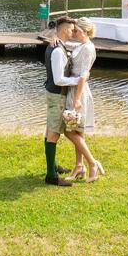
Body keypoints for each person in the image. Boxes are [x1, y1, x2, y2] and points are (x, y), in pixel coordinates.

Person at [43, 16, 83, 187]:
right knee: (54, 133)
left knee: (50, 130)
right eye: (71, 28)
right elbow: (59, 79)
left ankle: (53, 166)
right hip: (57, 94)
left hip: (53, 94)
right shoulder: (58, 51)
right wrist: (78, 81)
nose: (73, 31)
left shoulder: (58, 45)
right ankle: (51, 176)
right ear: (63, 29)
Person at [63, 18, 104, 182]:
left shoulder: (88, 48)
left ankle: (92, 163)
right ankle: (79, 166)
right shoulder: (81, 45)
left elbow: (83, 76)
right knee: (77, 131)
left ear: (86, 32)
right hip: (73, 88)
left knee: (69, 130)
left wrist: (77, 99)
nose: (74, 33)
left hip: (78, 91)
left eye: (77, 31)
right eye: (73, 31)